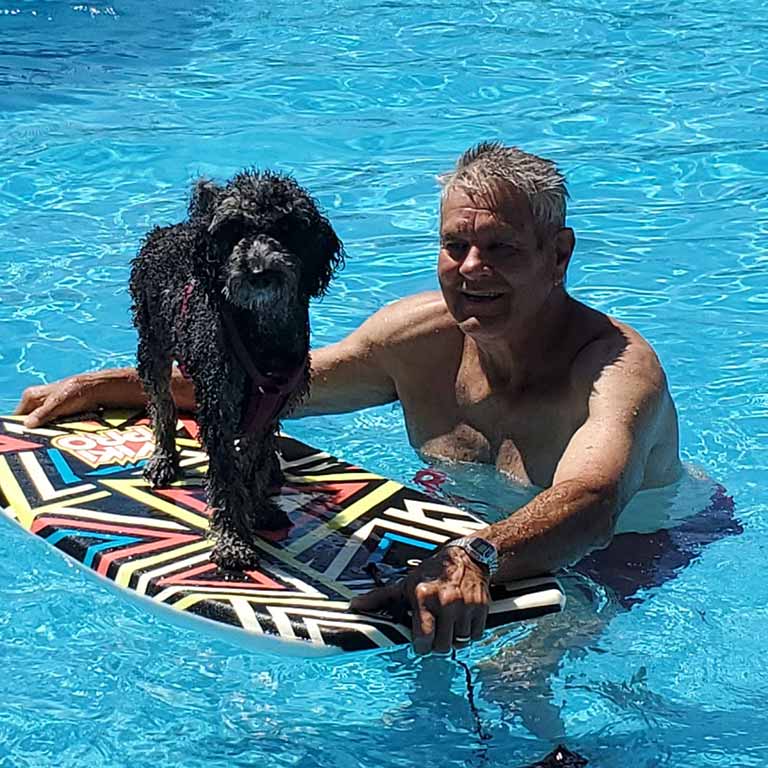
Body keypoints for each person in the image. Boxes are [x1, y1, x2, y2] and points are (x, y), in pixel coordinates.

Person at [15, 141, 683, 655]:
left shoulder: (616, 370)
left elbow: (593, 503)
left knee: (514, 681)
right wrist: (110, 384)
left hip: (621, 556)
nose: (472, 268)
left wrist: (475, 555)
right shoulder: (417, 340)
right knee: (418, 647)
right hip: (470, 528)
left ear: (559, 255)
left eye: (500, 248)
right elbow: (277, 391)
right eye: (456, 246)